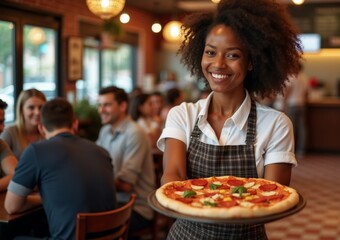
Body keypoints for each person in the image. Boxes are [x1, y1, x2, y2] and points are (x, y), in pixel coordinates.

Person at [157, 0, 301, 239]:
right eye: (210, 52)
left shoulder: (276, 124)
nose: (218, 64)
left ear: (251, 61)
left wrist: (219, 203)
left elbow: (273, 196)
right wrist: (208, 203)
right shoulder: (182, 115)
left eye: (232, 55)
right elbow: (172, 175)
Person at [5, 98, 117, 239]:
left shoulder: (36, 151)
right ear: (75, 124)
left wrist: (42, 197)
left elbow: (11, 206)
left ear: (41, 128)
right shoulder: (101, 151)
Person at [96, 86, 156, 232]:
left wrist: (91, 181)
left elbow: (125, 185)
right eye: (100, 105)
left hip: (136, 209)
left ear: (123, 106)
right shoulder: (105, 131)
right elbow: (94, 164)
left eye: (107, 105)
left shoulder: (135, 133)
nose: (101, 110)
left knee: (88, 226)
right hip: (113, 203)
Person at [0, 88, 46, 159]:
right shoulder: (9, 133)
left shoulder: (48, 133)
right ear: (21, 110)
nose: (37, 112)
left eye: (41, 107)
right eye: (31, 108)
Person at [285, 62, 309, 158]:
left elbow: (287, 92)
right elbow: (307, 93)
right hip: (302, 104)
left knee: (291, 127)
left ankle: (291, 150)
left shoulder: (291, 77)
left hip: (292, 104)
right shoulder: (305, 78)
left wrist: (284, 104)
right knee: (302, 128)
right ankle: (302, 150)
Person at [0, 99, 18, 191]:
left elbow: (17, 176)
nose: (2, 128)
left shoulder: (1, 144)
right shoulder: (11, 132)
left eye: (2, 122)